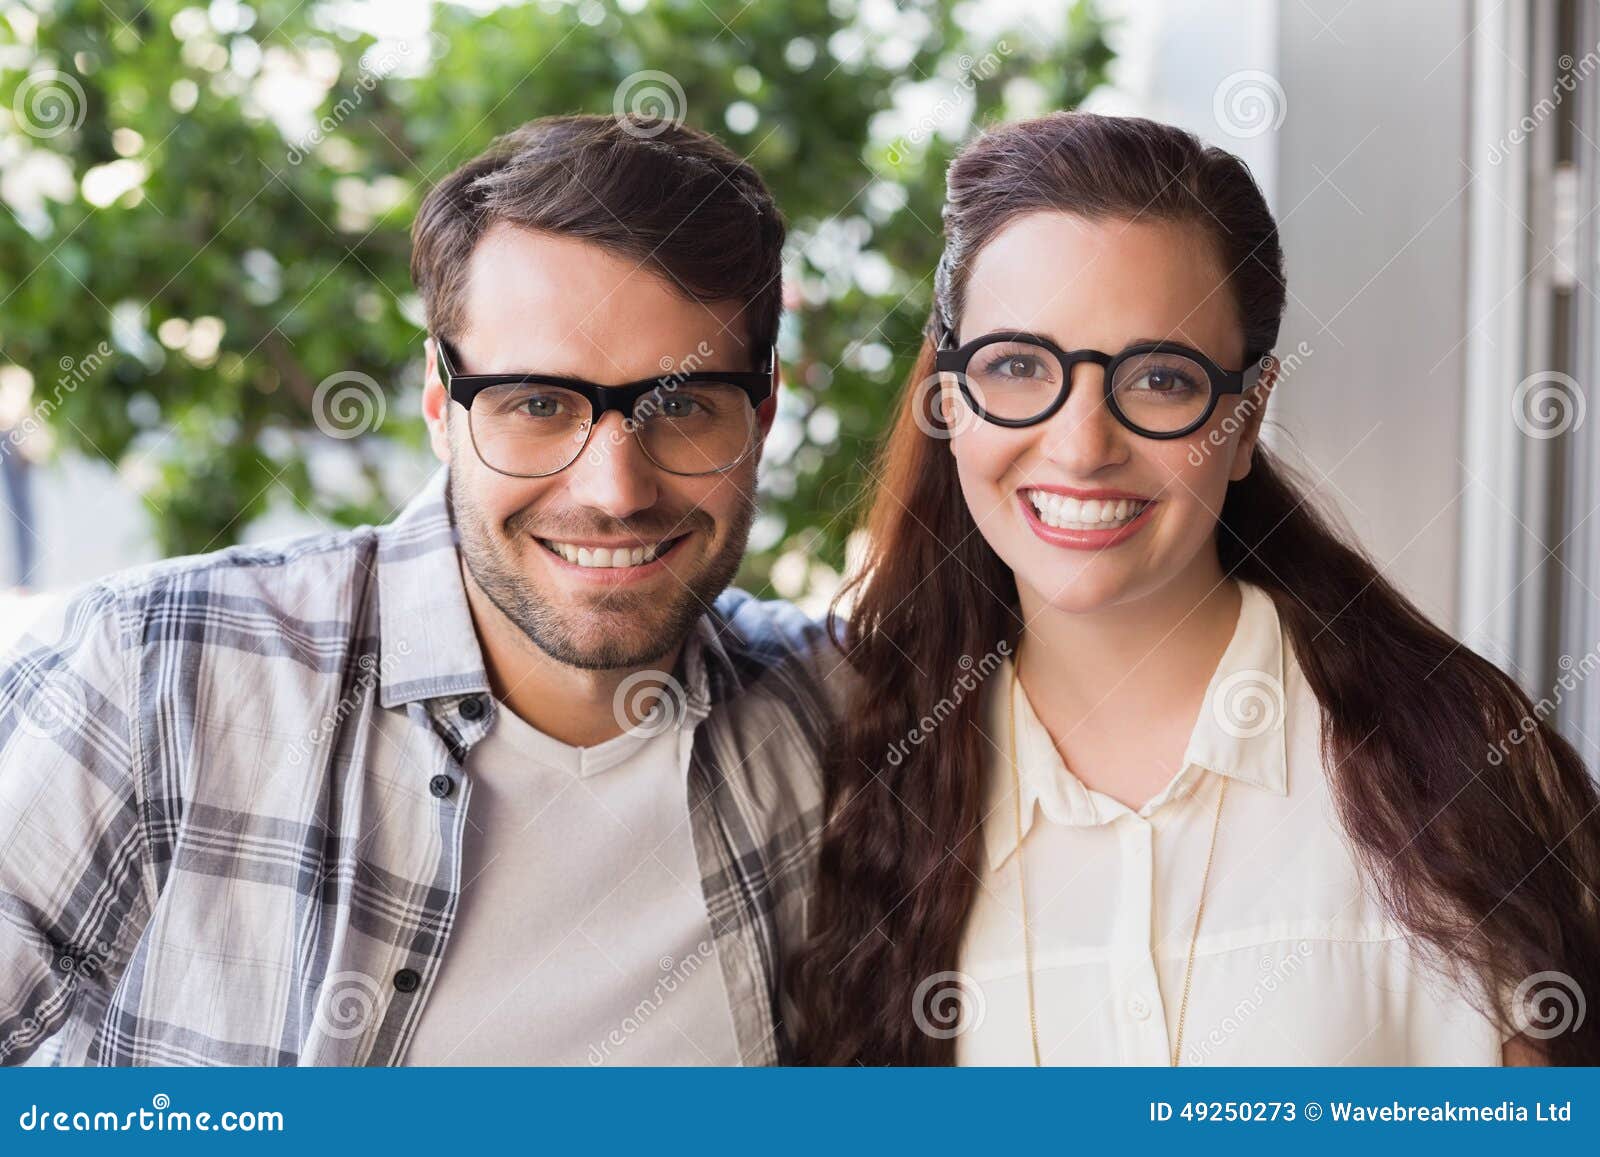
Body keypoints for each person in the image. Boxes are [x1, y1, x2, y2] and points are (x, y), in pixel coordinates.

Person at [0, 114, 835, 1066]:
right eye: (537, 403)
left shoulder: (832, 719)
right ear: (443, 405)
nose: (616, 491)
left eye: (681, 404)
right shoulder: (160, 674)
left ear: (761, 412)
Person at [789, 111, 1600, 1066]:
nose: (1083, 445)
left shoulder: (1461, 765)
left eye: (1160, 378)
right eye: (1016, 366)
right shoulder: (846, 775)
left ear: (1245, 417)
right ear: (950, 397)